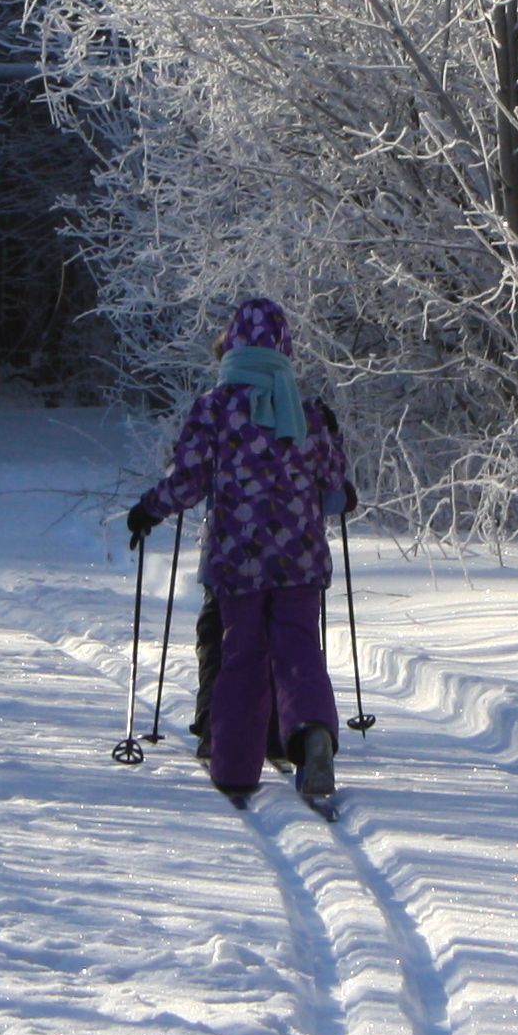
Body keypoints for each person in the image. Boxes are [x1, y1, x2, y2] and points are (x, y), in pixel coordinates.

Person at [127, 296, 352, 811]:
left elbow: (186, 481)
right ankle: (312, 735)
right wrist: (331, 442)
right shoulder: (308, 411)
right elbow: (335, 488)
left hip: (237, 556)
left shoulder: (215, 407)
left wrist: (148, 511)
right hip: (300, 556)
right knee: (298, 649)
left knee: (242, 653)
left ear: (231, 344)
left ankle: (233, 766)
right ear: (283, 346)